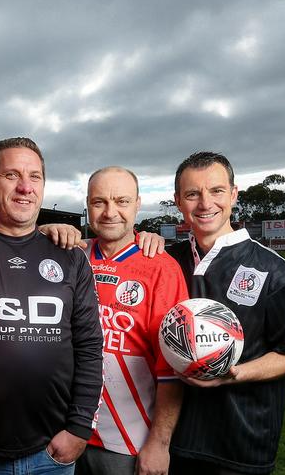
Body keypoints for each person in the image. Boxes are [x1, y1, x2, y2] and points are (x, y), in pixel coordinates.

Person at [167, 151, 285, 475]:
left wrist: (234, 373)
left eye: (217, 191)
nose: (205, 203)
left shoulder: (273, 270)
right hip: (172, 439)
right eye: (193, 194)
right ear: (178, 201)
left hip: (243, 445)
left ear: (234, 194)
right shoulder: (166, 263)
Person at [43, 167, 187, 475]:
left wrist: (159, 443)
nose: (110, 212)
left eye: (122, 201)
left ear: (137, 204)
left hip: (125, 440)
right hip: (60, 429)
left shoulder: (162, 267)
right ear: (87, 205)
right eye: (99, 202)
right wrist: (43, 232)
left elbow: (172, 367)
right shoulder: (68, 255)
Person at [0, 137, 103, 474]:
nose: (24, 187)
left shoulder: (70, 256)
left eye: (35, 177)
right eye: (11, 175)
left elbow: (89, 347)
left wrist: (78, 428)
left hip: (51, 452)